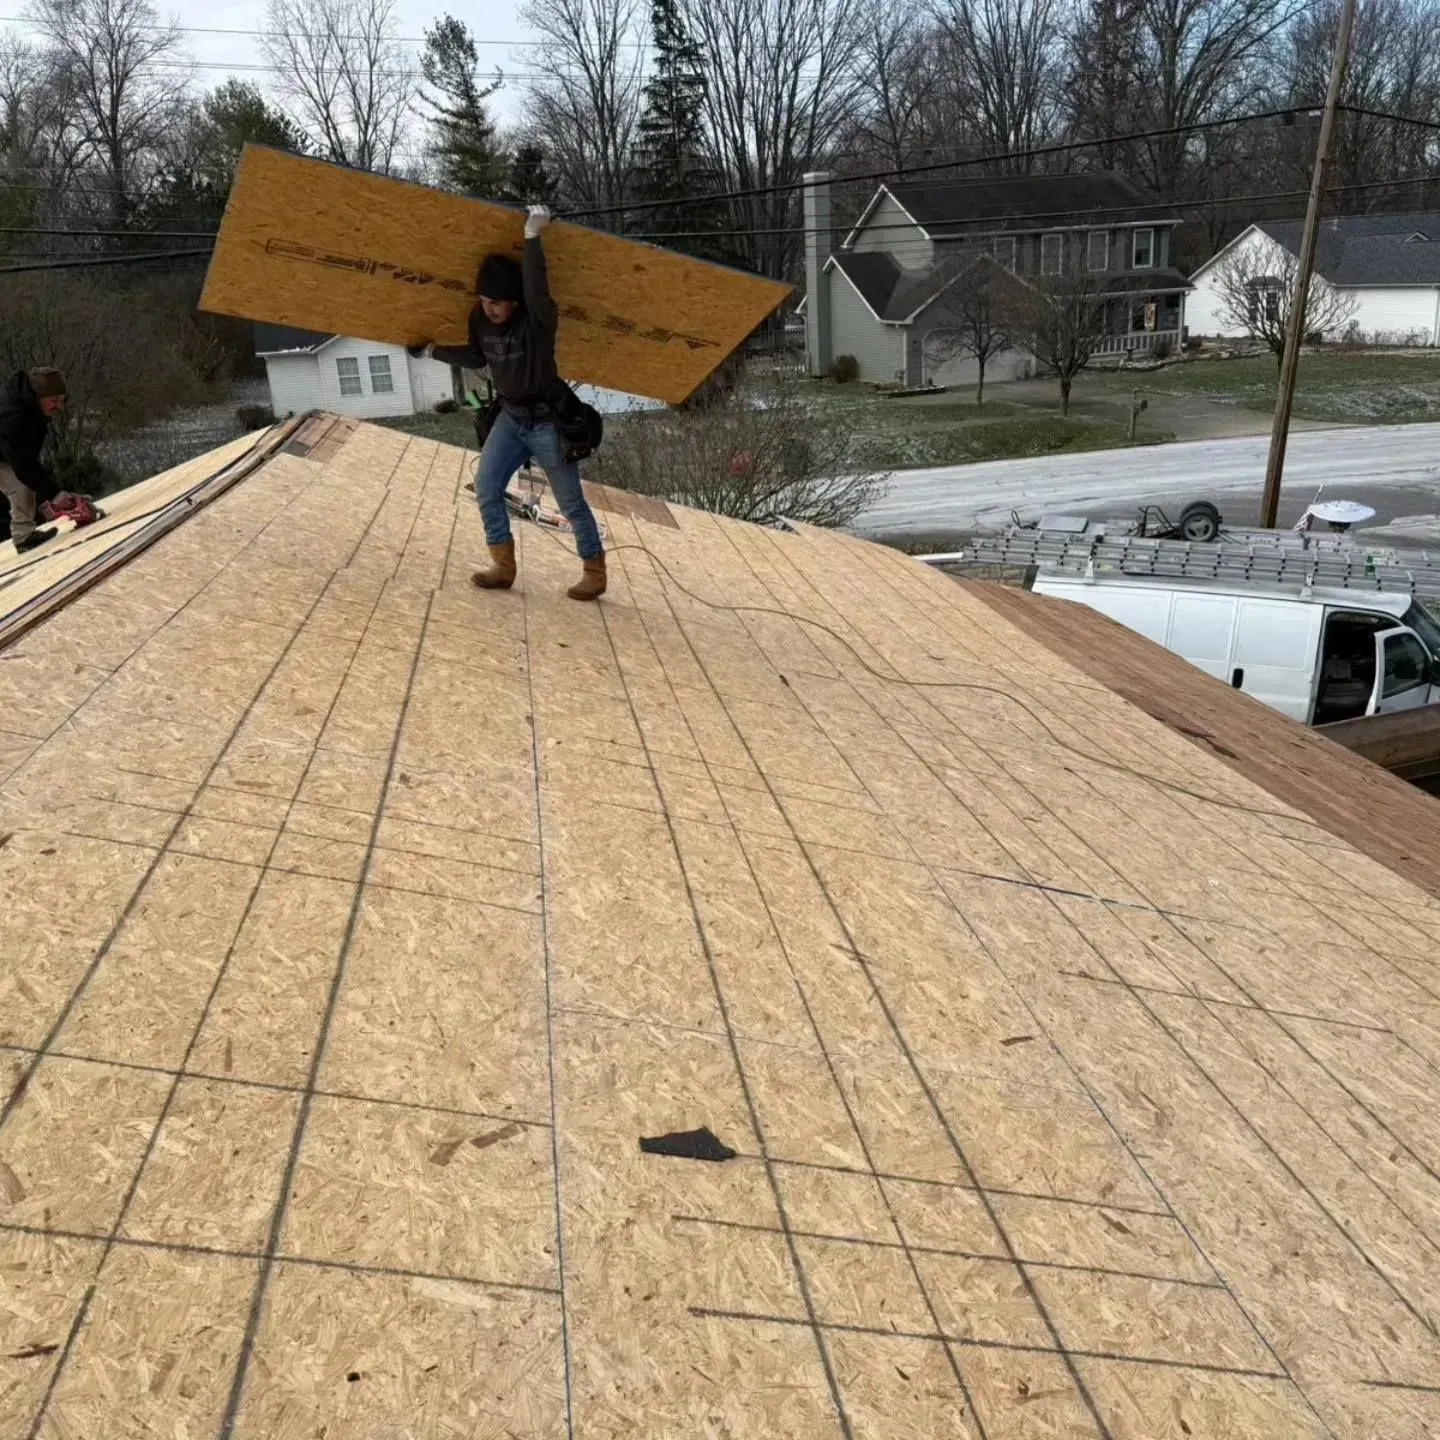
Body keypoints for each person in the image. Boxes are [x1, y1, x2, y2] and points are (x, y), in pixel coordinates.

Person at [414, 205, 606, 602]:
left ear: (514, 302)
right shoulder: (480, 320)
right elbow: (475, 356)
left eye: (497, 302)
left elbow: (536, 287)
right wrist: (432, 351)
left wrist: (533, 237)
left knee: (570, 501)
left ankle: (594, 569)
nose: (489, 309)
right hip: (511, 418)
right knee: (486, 487)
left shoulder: (536, 321)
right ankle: (503, 566)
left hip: (547, 422)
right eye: (484, 300)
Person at [0, 367, 67, 553]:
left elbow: (27, 458)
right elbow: (23, 464)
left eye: (62, 400)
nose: (59, 407)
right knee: (20, 487)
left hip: (4, 449)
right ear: (38, 397)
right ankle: (24, 538)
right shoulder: (13, 416)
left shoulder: (28, 405)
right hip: (4, 449)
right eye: (54, 401)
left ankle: (25, 536)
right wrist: (54, 494)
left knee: (26, 485)